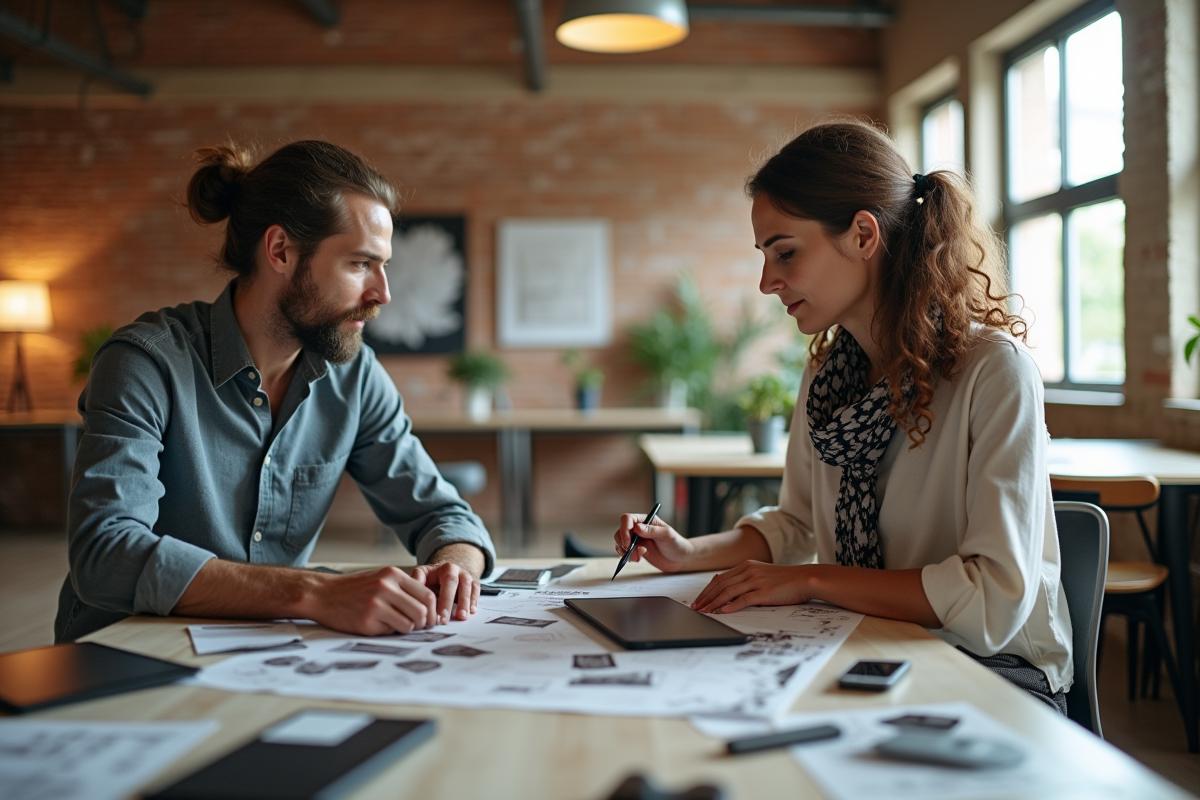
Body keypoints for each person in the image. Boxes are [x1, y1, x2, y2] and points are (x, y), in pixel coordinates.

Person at [614, 120, 1073, 713]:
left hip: (994, 670)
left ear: (862, 234)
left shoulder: (993, 371)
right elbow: (797, 525)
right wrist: (687, 552)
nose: (766, 281)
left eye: (785, 252)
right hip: (869, 643)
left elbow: (992, 600)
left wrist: (811, 581)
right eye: (764, 256)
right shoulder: (827, 377)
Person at [56, 140, 496, 643]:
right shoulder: (144, 363)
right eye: (359, 264)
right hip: (128, 652)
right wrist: (314, 593)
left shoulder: (354, 376)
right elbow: (105, 554)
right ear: (281, 251)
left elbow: (443, 514)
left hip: (267, 654)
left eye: (384, 265)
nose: (382, 294)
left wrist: (455, 566)